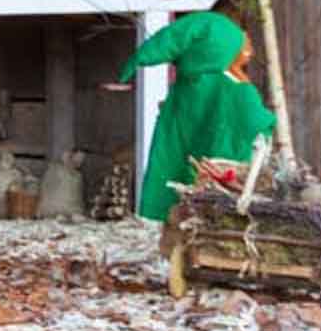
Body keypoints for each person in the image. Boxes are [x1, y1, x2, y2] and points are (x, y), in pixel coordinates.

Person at [116, 11, 276, 219]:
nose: (247, 52)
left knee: (180, 212)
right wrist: (270, 120)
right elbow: (257, 123)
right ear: (217, 51)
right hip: (223, 180)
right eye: (239, 46)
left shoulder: (182, 87)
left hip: (183, 177)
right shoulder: (234, 89)